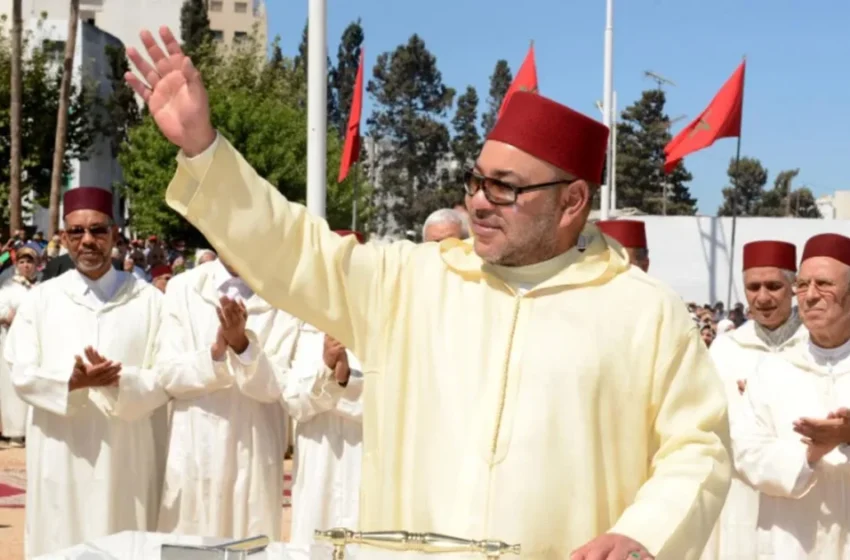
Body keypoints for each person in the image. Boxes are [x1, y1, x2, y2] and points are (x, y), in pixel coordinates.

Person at [127, 29, 730, 559]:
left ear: (571, 201)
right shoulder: (412, 283)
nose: (479, 202)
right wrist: (203, 149)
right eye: (476, 181)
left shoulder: (642, 312)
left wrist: (643, 534)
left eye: (505, 188)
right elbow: (293, 248)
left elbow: (698, 447)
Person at [3, 187, 169, 557]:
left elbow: (165, 375)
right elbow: (21, 371)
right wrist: (70, 382)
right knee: (60, 539)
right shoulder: (41, 300)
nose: (88, 240)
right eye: (77, 232)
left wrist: (120, 382)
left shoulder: (149, 301)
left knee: (125, 539)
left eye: (97, 230)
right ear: (63, 238)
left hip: (125, 451)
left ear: (115, 234)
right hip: (61, 451)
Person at [155, 258, 300, 539]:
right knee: (191, 544)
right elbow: (168, 374)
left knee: (251, 542)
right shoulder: (184, 287)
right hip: (195, 447)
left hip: (255, 446)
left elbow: (280, 385)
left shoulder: (286, 294)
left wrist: (243, 347)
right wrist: (216, 355)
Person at [733, 233, 850, 558]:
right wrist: (811, 453)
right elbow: (747, 453)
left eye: (824, 284)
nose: (809, 296)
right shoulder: (773, 370)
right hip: (793, 543)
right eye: (802, 285)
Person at [701, 240, 806, 560]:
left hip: (804, 492)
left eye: (774, 286)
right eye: (753, 287)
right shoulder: (726, 350)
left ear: (794, 288)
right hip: (741, 495)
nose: (762, 297)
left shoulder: (815, 345)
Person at [284, 230, 365, 549]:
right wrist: (327, 370)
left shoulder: (382, 322)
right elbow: (293, 401)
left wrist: (344, 380)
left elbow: (393, 401)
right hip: (318, 460)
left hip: (362, 461)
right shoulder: (299, 321)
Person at [0, 244, 39, 448]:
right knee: (11, 385)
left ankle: (32, 430)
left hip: (35, 343)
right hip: (11, 342)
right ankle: (14, 431)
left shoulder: (41, 287)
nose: (26, 266)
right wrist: (8, 315)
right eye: (22, 262)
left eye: (29, 262)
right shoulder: (8, 287)